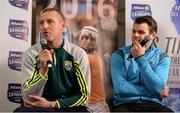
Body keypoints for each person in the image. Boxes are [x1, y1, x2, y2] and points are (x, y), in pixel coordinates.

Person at [14, 8, 91, 112]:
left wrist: (52, 104)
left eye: (50, 22)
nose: (45, 26)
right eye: (41, 23)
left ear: (62, 26)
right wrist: (42, 71)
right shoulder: (31, 54)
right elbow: (27, 97)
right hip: (39, 108)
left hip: (67, 107)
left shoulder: (78, 54)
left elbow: (83, 96)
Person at [110, 16, 173, 112]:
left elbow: (158, 87)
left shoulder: (162, 57)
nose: (135, 35)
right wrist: (155, 92)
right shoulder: (119, 55)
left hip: (154, 104)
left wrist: (140, 59)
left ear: (152, 35)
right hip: (126, 104)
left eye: (141, 32)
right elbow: (120, 88)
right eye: (133, 31)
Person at [78, 26, 110, 112]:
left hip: (96, 105)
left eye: (92, 39)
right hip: (83, 103)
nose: (88, 41)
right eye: (86, 38)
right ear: (80, 38)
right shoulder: (81, 54)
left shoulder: (92, 58)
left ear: (96, 42)